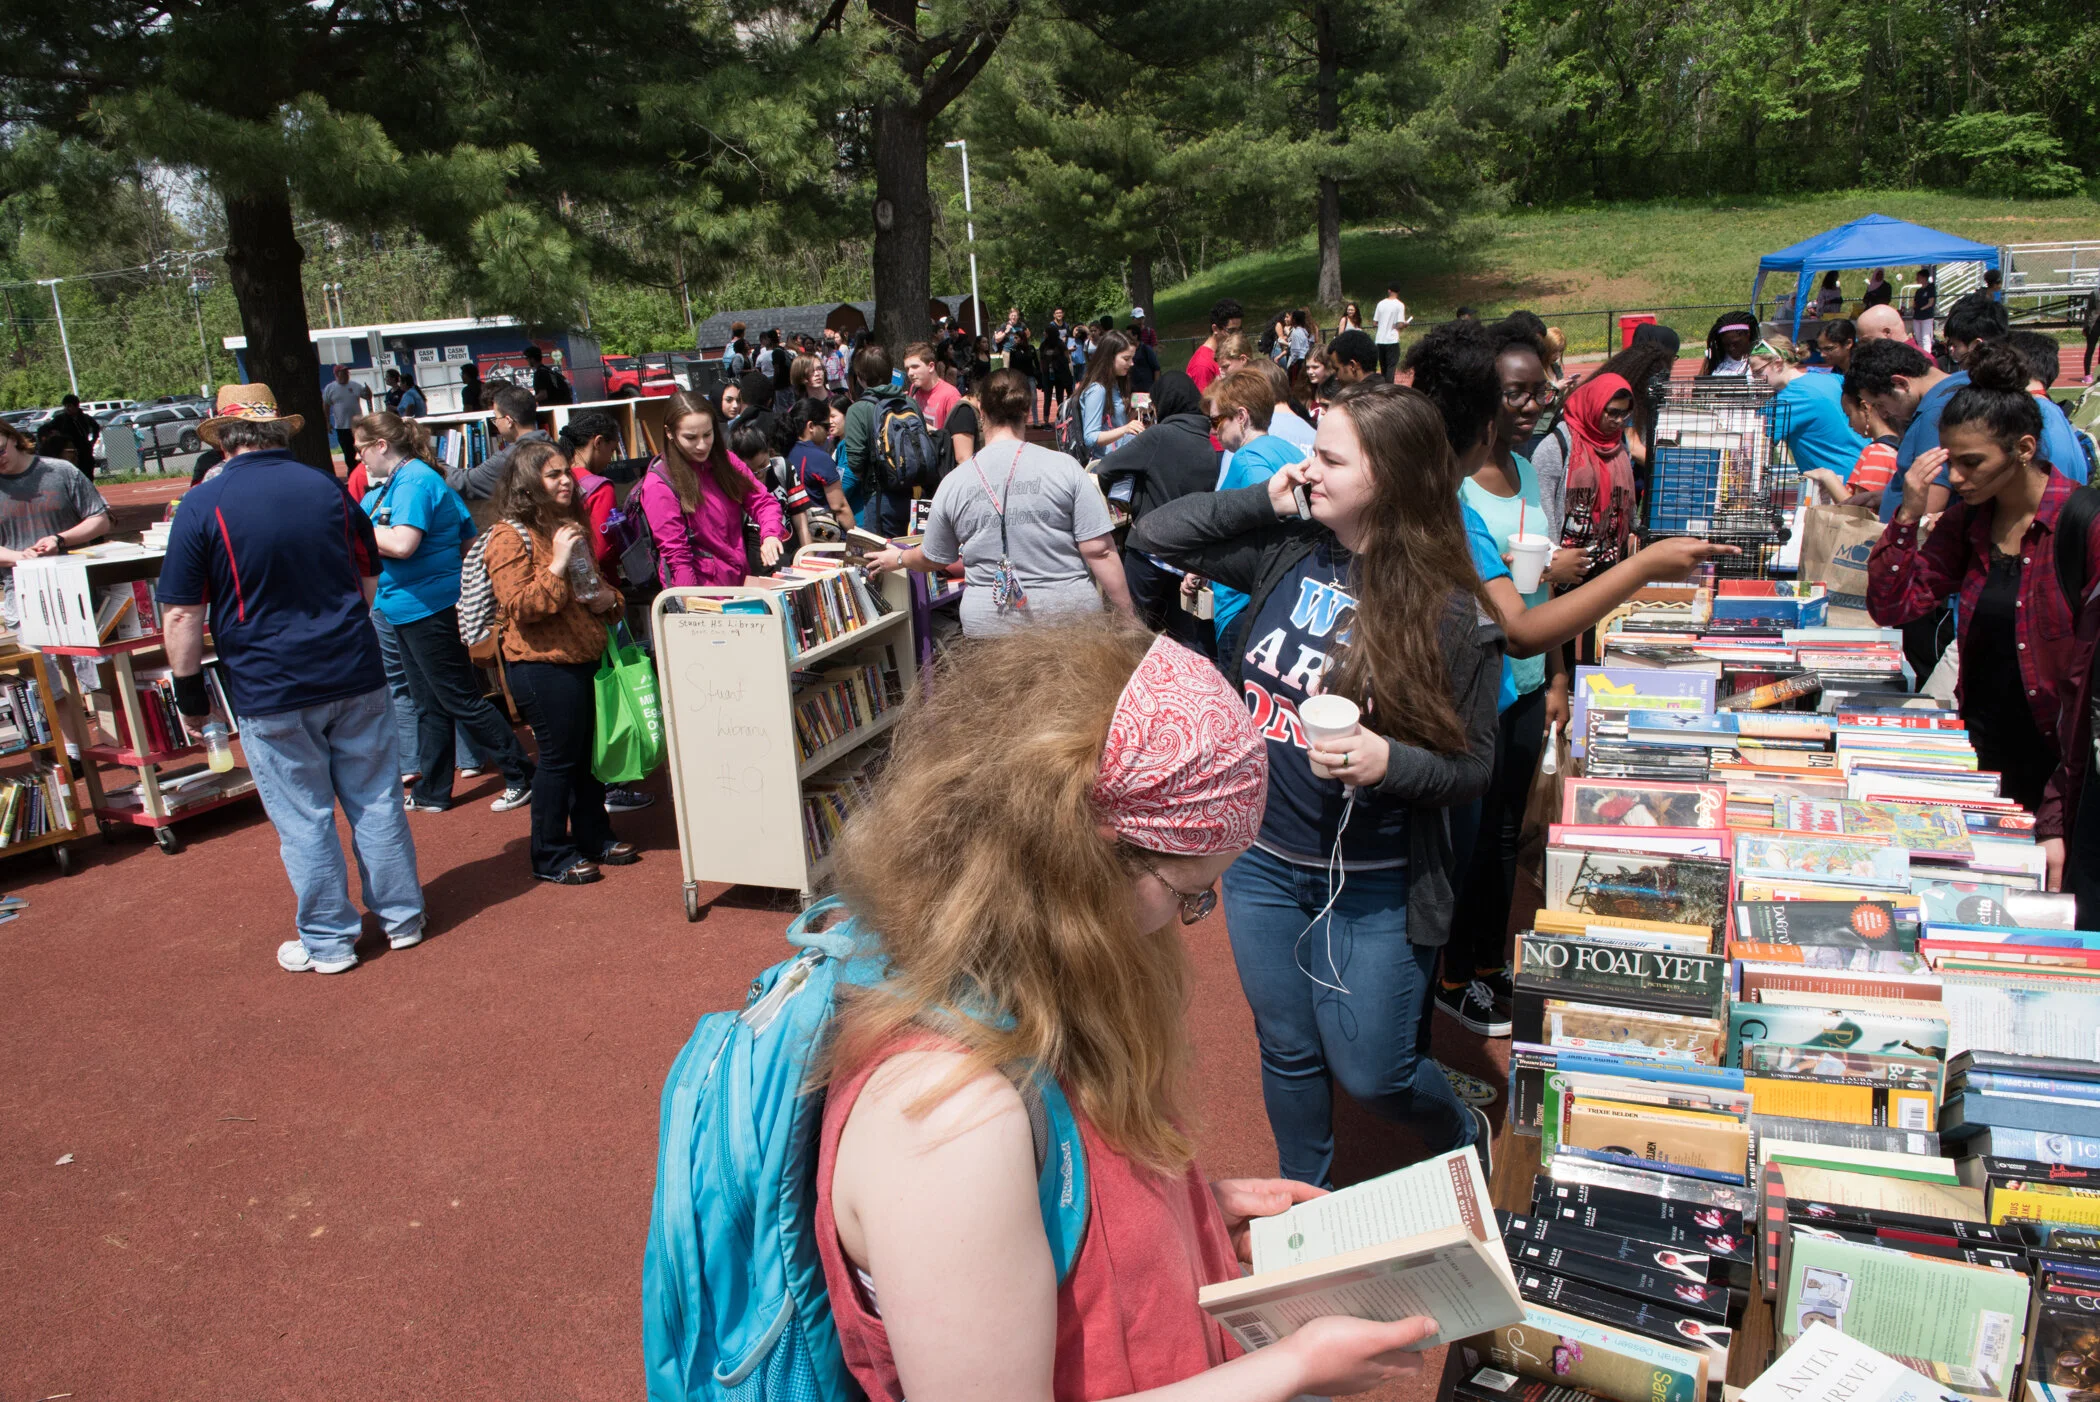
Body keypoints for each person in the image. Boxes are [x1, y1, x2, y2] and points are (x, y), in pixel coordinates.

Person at [814, 617, 1442, 1402]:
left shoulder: (1024, 989)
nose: (1186, 924)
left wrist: (1187, 1217)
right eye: (1188, 894)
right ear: (1082, 862)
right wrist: (1294, 1368)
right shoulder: (946, 1123)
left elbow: (1046, 1227)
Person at [1130, 380, 1501, 1186]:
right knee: (1289, 1049)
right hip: (1262, 863)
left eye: (1329, 458)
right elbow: (1160, 531)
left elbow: (1475, 768)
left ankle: (1458, 1127)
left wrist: (1387, 762)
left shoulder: (1451, 612)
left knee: (1377, 1075)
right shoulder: (1287, 550)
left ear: (1393, 478)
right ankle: (1310, 1203)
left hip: (1372, 885)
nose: (1309, 468)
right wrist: (1267, 497)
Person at [157, 383, 423, 973]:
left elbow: (181, 611)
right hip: (351, 668)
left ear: (222, 437)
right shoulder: (328, 489)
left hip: (268, 682)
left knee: (304, 815)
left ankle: (330, 940)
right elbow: (368, 577)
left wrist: (188, 687)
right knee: (376, 798)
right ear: (278, 431)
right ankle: (402, 918)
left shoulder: (203, 503)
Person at [1868, 344, 2099, 816]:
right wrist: (1908, 515)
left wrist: (2059, 809)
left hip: (2064, 770)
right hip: (1986, 756)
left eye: (1971, 463)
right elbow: (1893, 607)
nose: (1955, 477)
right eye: (1949, 461)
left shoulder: (2083, 523)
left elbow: (2084, 690)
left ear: (2024, 449)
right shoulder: (1968, 523)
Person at [354, 412, 534, 815]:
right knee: (428, 703)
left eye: (361, 448)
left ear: (381, 445)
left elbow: (403, 544)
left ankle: (522, 774)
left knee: (460, 698)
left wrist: (352, 527)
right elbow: (464, 536)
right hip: (405, 606)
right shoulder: (400, 483)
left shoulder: (415, 480)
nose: (359, 457)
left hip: (427, 607)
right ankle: (433, 791)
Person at [865, 369, 1131, 636]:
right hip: (1070, 621)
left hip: (990, 628)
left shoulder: (954, 482)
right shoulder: (1066, 468)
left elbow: (934, 557)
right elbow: (1100, 551)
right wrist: (1127, 618)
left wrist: (899, 558)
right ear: (1027, 411)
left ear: (981, 411)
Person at [482, 441, 636, 886]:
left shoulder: (568, 525)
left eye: (566, 472)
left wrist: (611, 600)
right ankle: (549, 852)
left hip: (585, 655)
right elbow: (521, 604)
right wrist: (559, 562)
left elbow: (597, 593)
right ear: (528, 485)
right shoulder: (508, 536)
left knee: (588, 757)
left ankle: (593, 835)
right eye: (553, 475)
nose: (566, 480)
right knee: (557, 759)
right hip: (541, 664)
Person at [1092, 371, 1218, 650]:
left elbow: (1107, 467)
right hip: (1188, 559)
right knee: (1182, 639)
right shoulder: (1207, 442)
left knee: (1132, 631)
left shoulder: (1160, 436)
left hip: (1148, 552)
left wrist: (1129, 497)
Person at [1206, 367, 1314, 649]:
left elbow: (1265, 528)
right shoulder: (1289, 450)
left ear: (1241, 417)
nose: (1213, 429)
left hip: (1242, 605)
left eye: (1217, 420)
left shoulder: (1246, 461)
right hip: (1282, 599)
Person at [636, 390, 786, 587]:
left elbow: (762, 501)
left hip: (738, 582)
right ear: (669, 433)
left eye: (708, 434)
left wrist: (770, 535)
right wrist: (693, 607)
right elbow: (677, 558)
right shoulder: (659, 485)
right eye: (691, 438)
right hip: (703, 595)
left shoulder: (725, 461)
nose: (702, 445)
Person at [0, 419, 112, 632]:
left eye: (0, 451)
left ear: (13, 438)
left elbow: (100, 520)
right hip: (23, 596)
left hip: (76, 590)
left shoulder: (61, 471)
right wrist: (19, 556)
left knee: (89, 663)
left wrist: (59, 540)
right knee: (39, 665)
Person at [1531, 372, 1638, 579]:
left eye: (1625, 414)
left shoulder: (1618, 446)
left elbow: (1626, 500)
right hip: (1568, 569)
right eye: (1613, 412)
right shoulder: (1557, 446)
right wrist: (1553, 561)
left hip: (1608, 563)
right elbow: (1542, 506)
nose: (1618, 421)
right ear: (1594, 405)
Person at [1751, 333, 1870, 493]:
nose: (1754, 379)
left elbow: (1753, 438)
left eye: (1758, 372)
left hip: (1839, 482)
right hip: (1867, 470)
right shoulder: (1833, 378)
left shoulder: (1787, 400)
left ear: (1777, 363)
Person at [838, 345, 922, 535]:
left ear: (860, 377)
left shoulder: (858, 410)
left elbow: (856, 462)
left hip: (879, 498)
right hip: (914, 494)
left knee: (882, 559)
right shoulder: (910, 404)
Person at [555, 409, 625, 579]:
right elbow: (599, 552)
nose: (610, 458)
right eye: (612, 450)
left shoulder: (554, 481)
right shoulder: (601, 488)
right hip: (596, 583)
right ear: (598, 442)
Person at [448, 385, 549, 502]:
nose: (496, 423)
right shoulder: (552, 445)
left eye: (496, 418)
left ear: (508, 421)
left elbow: (464, 483)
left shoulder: (511, 457)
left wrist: (433, 461)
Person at [1078, 331, 1145, 460]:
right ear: (1109, 358)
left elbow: (1114, 424)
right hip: (1106, 464)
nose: (1131, 364)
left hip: (1119, 459)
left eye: (1132, 358)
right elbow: (1091, 437)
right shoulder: (1097, 389)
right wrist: (1126, 429)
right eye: (1126, 359)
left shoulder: (1115, 383)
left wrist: (1137, 412)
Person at [787, 396, 853, 523]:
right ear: (811, 426)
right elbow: (839, 507)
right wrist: (857, 539)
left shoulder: (785, 452)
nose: (829, 432)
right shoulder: (820, 459)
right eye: (825, 426)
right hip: (823, 535)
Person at [1185, 298, 1244, 391]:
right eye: (1231, 330)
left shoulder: (1231, 353)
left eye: (1239, 330)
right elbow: (1203, 403)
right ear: (1215, 329)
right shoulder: (1203, 365)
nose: (1236, 335)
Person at [323, 365, 372, 468]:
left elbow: (367, 396)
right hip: (342, 427)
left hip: (357, 425)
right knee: (348, 454)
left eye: (347, 372)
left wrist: (369, 391)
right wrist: (327, 422)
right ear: (337, 374)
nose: (346, 374)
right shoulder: (330, 388)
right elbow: (326, 405)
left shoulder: (355, 385)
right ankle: (352, 472)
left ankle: (363, 471)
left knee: (362, 450)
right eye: (343, 372)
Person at [903, 341, 960, 430]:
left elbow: (957, 438)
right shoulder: (914, 388)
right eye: (907, 368)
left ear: (931, 367)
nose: (910, 373)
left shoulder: (951, 395)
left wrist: (927, 429)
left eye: (915, 367)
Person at [1943, 299, 2011, 370]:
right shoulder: (2016, 370)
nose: (1951, 350)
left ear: (1976, 345)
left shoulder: (1963, 379)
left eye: (1955, 346)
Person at [49, 394, 102, 475]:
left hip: (85, 452)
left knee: (87, 475)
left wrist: (92, 441)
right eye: (65, 406)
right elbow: (45, 429)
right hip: (69, 453)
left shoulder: (85, 418)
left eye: (69, 406)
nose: (67, 408)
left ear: (76, 406)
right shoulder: (60, 419)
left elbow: (96, 428)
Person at [1700, 312, 1757, 376]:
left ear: (1748, 334)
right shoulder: (1715, 354)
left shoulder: (1759, 355)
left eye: (1736, 343)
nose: (1731, 348)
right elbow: (1700, 382)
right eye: (1726, 344)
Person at [1372, 284, 1410, 380]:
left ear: (1389, 291)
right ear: (1398, 292)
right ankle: (1389, 388)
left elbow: (1374, 323)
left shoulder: (1380, 304)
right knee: (1391, 367)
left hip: (1380, 339)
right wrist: (1404, 325)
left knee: (1383, 367)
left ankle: (1383, 386)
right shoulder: (1399, 305)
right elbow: (1400, 324)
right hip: (1392, 339)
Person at [1912, 266, 1939, 350]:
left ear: (1924, 277)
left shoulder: (1931, 287)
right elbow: (1915, 303)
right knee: (1919, 339)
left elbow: (1930, 302)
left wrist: (1922, 309)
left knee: (1926, 338)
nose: (1917, 278)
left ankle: (1927, 357)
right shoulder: (1918, 291)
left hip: (1926, 316)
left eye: (1919, 277)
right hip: (1917, 317)